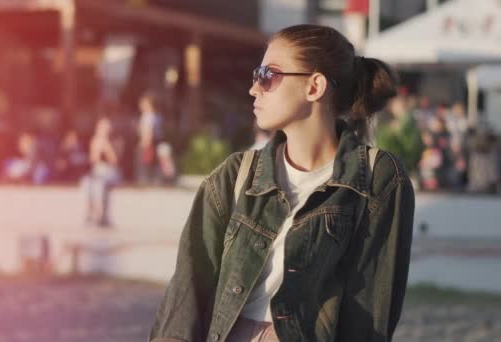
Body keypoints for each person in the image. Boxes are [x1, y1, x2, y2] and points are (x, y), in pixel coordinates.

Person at [149, 24, 414, 342]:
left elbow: (369, 311)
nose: (254, 89)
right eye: (255, 75)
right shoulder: (235, 176)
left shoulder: (378, 177)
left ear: (314, 86)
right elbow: (186, 295)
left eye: (267, 75)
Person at [83, 117, 121, 227]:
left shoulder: (115, 141)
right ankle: (92, 216)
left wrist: (107, 146)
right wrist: (98, 148)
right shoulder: (95, 141)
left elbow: (114, 160)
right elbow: (93, 160)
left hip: (109, 172)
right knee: (91, 190)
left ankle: (103, 217)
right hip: (98, 171)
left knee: (103, 192)